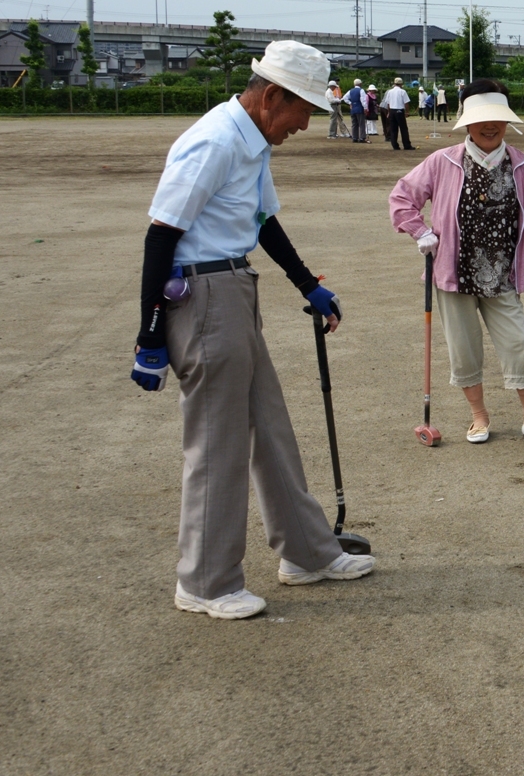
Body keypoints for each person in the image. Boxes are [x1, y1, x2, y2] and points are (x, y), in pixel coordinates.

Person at [130, 40, 374, 620]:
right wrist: (150, 335)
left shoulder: (253, 140)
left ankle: (307, 553)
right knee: (218, 443)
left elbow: (262, 221)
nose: (305, 125)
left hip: (235, 288)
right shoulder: (214, 141)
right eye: (304, 112)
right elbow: (161, 234)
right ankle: (206, 582)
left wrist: (306, 284)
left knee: (269, 424)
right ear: (272, 98)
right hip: (203, 293)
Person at [389, 80, 524, 445]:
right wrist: (420, 232)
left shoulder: (522, 164)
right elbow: (402, 197)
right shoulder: (442, 160)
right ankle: (479, 418)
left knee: (518, 344)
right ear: (466, 122)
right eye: (482, 119)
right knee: (464, 349)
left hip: (503, 274)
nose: (490, 126)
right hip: (453, 273)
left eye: (498, 119)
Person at [383, 77, 415, 150]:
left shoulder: (390, 91)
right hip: (399, 111)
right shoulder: (402, 91)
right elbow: (406, 103)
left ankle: (395, 145)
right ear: (401, 84)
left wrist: (389, 112)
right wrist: (407, 112)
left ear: (394, 83)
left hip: (392, 111)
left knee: (393, 129)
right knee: (403, 129)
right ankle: (406, 145)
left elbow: (388, 103)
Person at [346, 77, 367, 143]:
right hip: (360, 108)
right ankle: (362, 138)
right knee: (361, 124)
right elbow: (363, 100)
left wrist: (350, 103)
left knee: (354, 124)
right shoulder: (361, 90)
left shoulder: (350, 91)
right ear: (360, 84)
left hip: (353, 109)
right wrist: (365, 108)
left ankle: (354, 137)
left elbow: (345, 98)